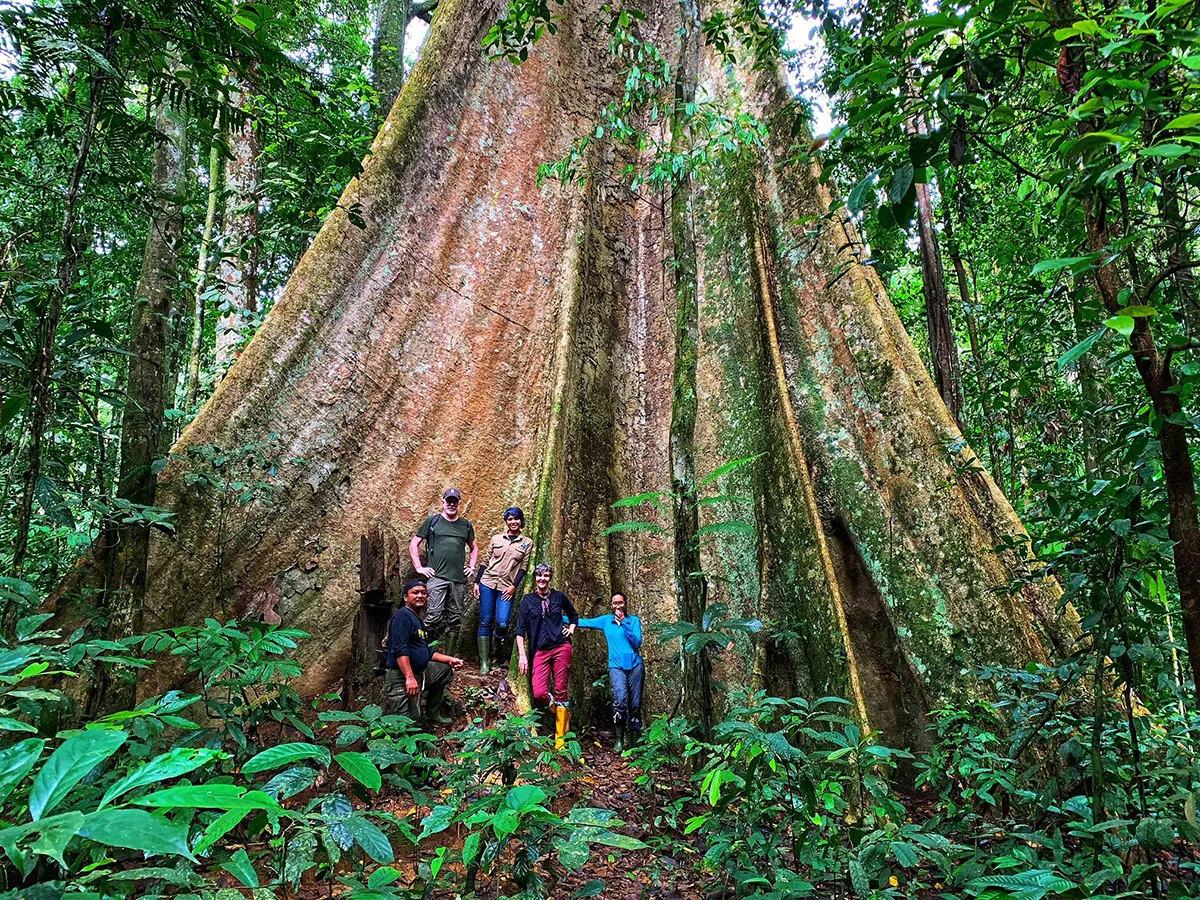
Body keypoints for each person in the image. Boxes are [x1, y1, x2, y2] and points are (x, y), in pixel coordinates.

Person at [515, 562, 578, 750]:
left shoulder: (558, 597)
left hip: (561, 647)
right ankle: (562, 714)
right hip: (540, 651)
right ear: (535, 578)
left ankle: (560, 741)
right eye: (539, 575)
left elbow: (573, 615)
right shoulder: (527, 601)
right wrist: (522, 655)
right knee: (539, 692)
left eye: (546, 576)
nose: (542, 579)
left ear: (550, 578)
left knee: (561, 690)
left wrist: (572, 629)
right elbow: (520, 630)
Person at [384, 579, 464, 723]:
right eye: (415, 593)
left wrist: (450, 660)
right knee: (405, 722)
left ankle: (432, 713)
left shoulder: (418, 621)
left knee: (444, 669)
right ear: (405, 597)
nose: (420, 596)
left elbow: (425, 650)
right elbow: (400, 649)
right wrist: (409, 677)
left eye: (423, 593)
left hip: (419, 674)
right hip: (401, 677)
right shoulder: (402, 617)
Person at [410, 488, 478, 658]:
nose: (452, 504)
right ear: (443, 502)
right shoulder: (433, 522)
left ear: (459, 503)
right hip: (437, 577)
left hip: (458, 580)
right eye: (449, 501)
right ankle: (422, 653)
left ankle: (450, 659)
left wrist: (471, 566)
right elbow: (414, 544)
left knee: (455, 619)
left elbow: (474, 547)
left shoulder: (466, 525)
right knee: (433, 615)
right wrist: (419, 567)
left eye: (455, 501)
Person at [577, 593, 643, 751]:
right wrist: (558, 619)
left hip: (634, 665)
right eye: (615, 603)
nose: (618, 606)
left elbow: (637, 642)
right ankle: (619, 740)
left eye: (621, 603)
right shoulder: (606, 620)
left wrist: (625, 624)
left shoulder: (633, 621)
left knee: (635, 704)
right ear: (611, 605)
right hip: (616, 666)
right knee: (620, 700)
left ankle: (635, 744)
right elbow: (583, 622)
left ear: (625, 604)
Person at [474, 506, 534, 674]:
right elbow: (485, 560)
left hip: (506, 587)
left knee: (502, 622)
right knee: (485, 620)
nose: (513, 522)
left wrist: (514, 586)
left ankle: (494, 657)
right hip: (487, 582)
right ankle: (485, 662)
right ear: (506, 521)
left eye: (516, 519)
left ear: (521, 521)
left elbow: (523, 566)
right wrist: (477, 582)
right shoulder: (496, 538)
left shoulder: (526, 542)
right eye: (510, 519)